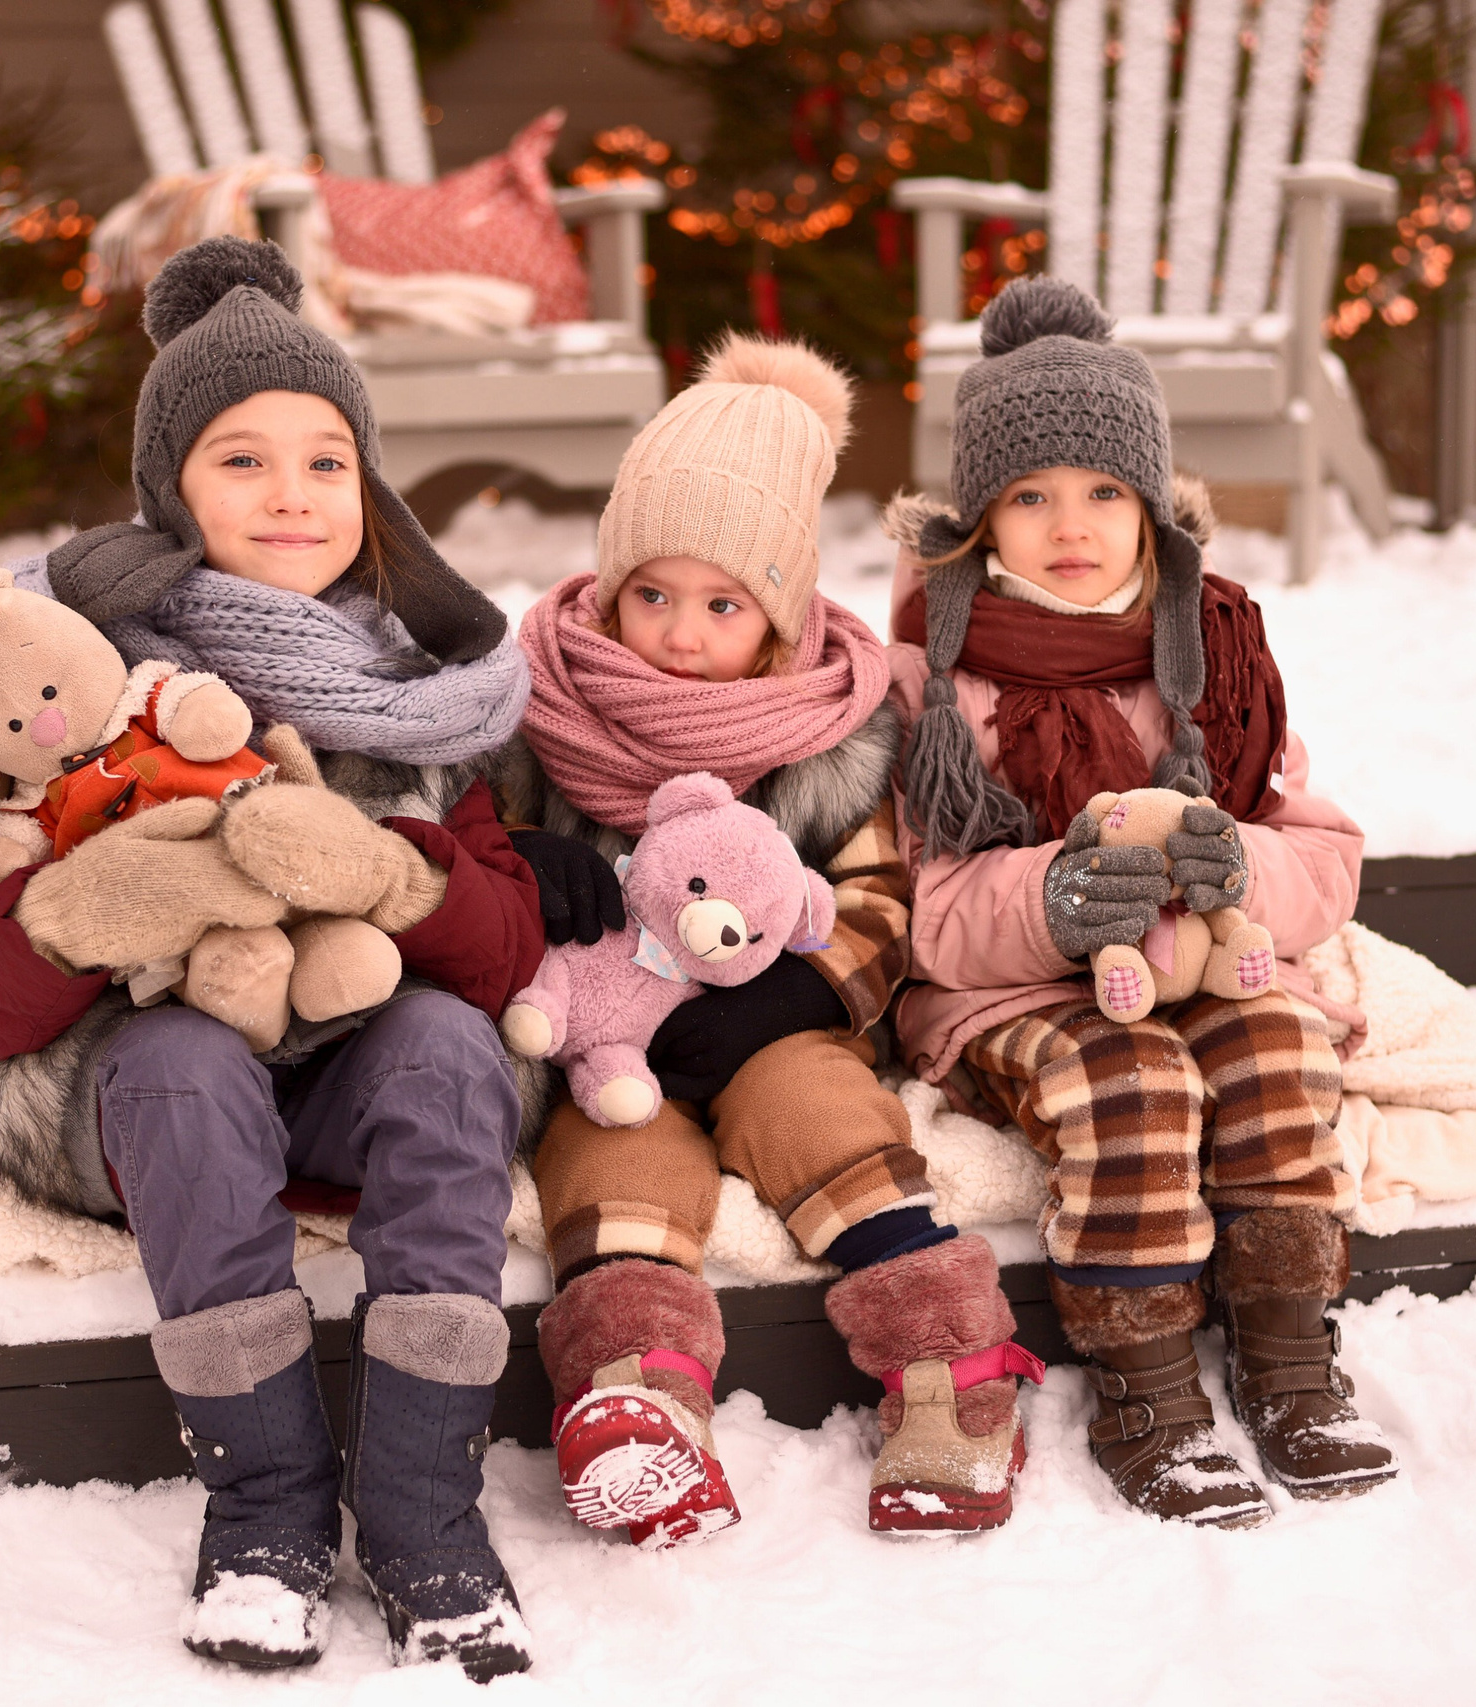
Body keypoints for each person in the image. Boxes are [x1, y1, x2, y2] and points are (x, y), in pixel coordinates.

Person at [0, 238, 543, 1677]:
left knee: (449, 1049)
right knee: (187, 1060)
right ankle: (263, 1507)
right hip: (143, 1087)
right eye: (241, 460)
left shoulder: (421, 693)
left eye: (327, 462)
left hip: (345, 1066)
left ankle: (423, 1505)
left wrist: (389, 868)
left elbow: (504, 951)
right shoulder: (74, 675)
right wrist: (112, 896)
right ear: (168, 495)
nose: (293, 495)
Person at [496, 335, 1042, 1545]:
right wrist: (520, 866)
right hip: (610, 1045)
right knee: (606, 1161)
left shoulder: (831, 737)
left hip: (767, 1017)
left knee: (821, 1111)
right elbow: (481, 858)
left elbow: (880, 902)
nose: (680, 634)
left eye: (723, 604)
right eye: (652, 594)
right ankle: (638, 1394)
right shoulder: (538, 708)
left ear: (783, 618)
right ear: (603, 588)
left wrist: (798, 997)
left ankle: (949, 1371)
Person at [884, 276, 1398, 1528]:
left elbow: (1316, 849)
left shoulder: (1210, 653)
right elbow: (928, 911)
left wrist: (1239, 871)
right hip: (1011, 989)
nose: (1073, 524)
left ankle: (1286, 1353)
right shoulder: (934, 680)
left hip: (1201, 959)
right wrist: (1058, 899)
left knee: (1276, 1043)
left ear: (1155, 506)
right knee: (1136, 1078)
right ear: (979, 520)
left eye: (1106, 491)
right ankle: (1149, 1384)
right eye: (1031, 495)